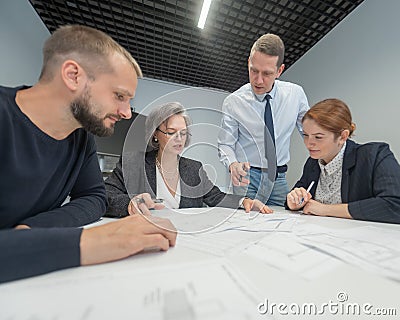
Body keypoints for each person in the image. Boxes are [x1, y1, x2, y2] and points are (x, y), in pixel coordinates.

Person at [0, 24, 142, 229]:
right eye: (119, 96)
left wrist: (31, 231)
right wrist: (88, 243)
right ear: (73, 75)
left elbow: (94, 197)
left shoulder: (81, 137)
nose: (127, 113)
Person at [105, 102, 271, 217]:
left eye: (183, 133)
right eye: (171, 132)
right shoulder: (133, 164)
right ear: (155, 134)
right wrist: (129, 203)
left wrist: (245, 201)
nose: (179, 138)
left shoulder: (194, 168)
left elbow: (216, 197)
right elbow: (105, 195)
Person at [218, 33, 309, 207]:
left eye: (267, 73)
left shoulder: (295, 95)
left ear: (280, 70)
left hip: (279, 177)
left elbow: (310, 131)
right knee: (246, 226)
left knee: (284, 224)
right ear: (248, 63)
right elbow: (225, 144)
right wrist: (233, 164)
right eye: (254, 70)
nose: (258, 80)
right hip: (247, 178)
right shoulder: (234, 102)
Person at [286, 98, 400, 224]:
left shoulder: (374, 155)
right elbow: (299, 197)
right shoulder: (313, 162)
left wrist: (326, 210)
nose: (309, 143)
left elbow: (394, 205)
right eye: (306, 135)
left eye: (318, 137)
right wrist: (293, 202)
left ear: (343, 136)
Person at [0, 213, 177, 283]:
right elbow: (108, 196)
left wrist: (31, 227)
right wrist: (83, 240)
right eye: (170, 131)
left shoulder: (83, 141)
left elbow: (94, 196)